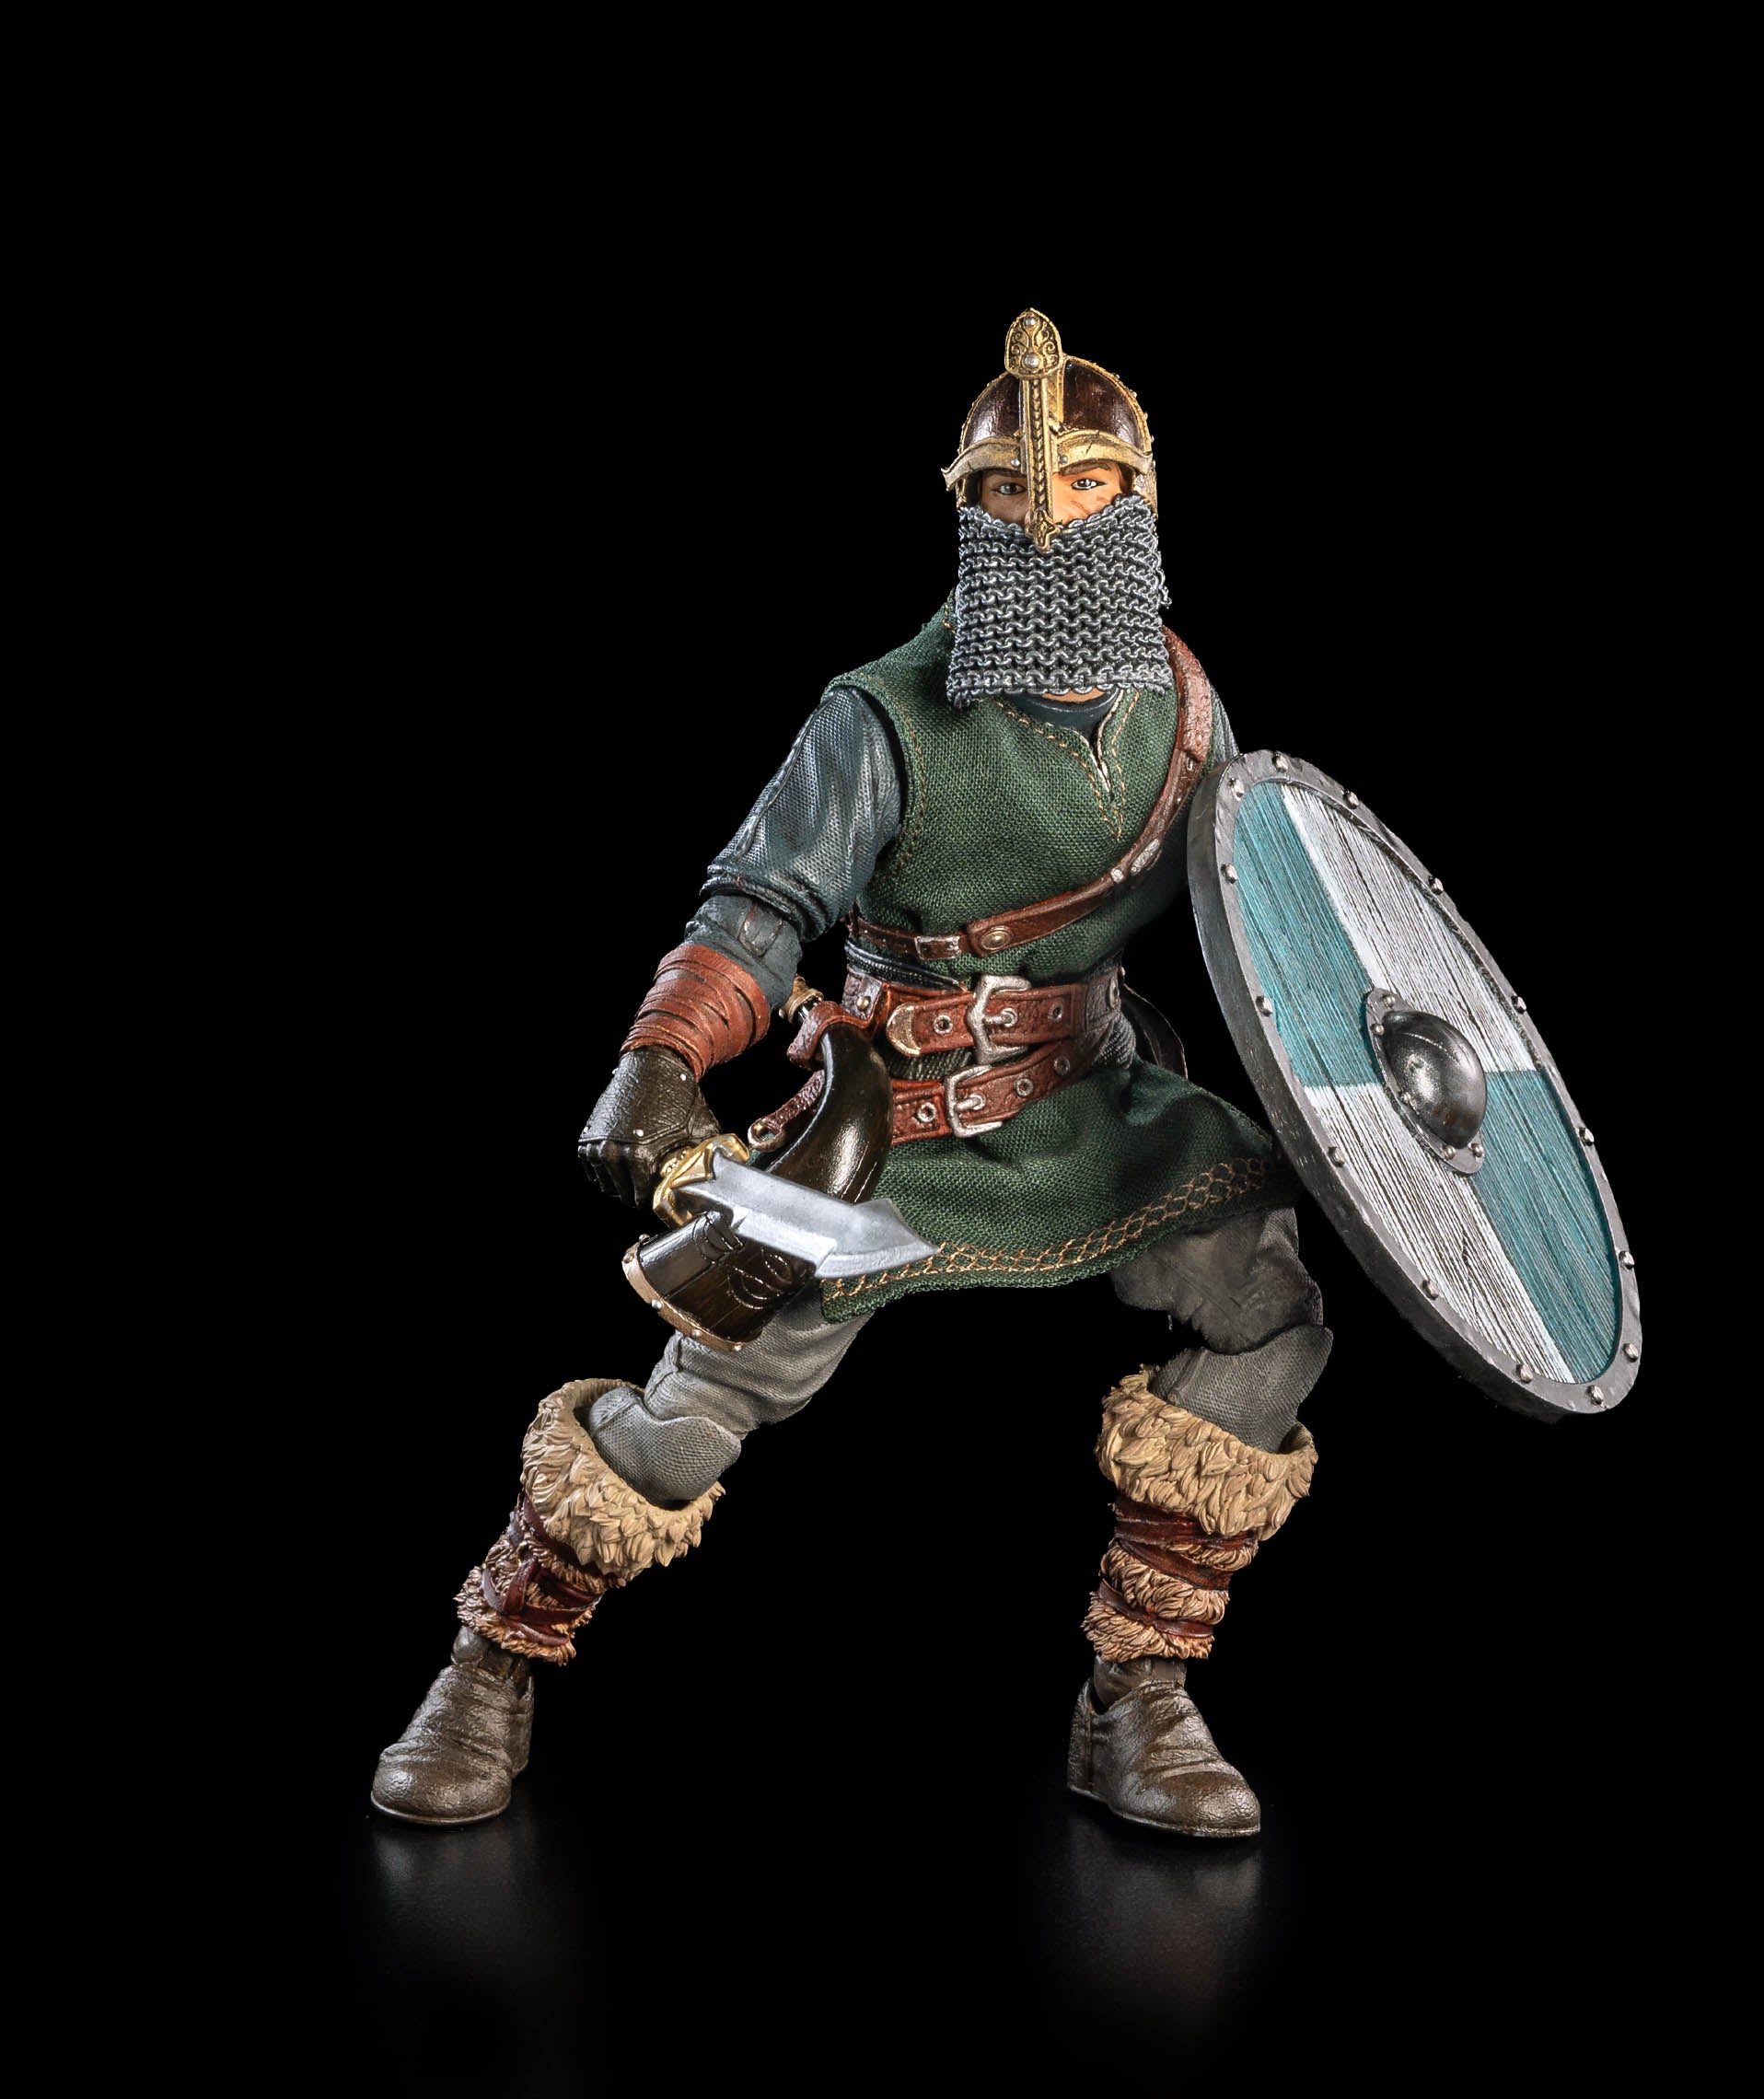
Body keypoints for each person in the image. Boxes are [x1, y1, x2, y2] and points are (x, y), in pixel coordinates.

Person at [371, 310, 1329, 1838]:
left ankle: (1137, 1690)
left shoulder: (1187, 704)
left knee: (1270, 1307)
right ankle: (493, 1657)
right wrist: (660, 1062)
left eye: (1086, 484)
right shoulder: (882, 718)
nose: (1051, 517)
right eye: (1013, 490)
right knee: (707, 1393)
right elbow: (759, 910)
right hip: (894, 1124)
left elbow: (1257, 906)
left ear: (1138, 496)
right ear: (971, 506)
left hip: (1096, 1100)